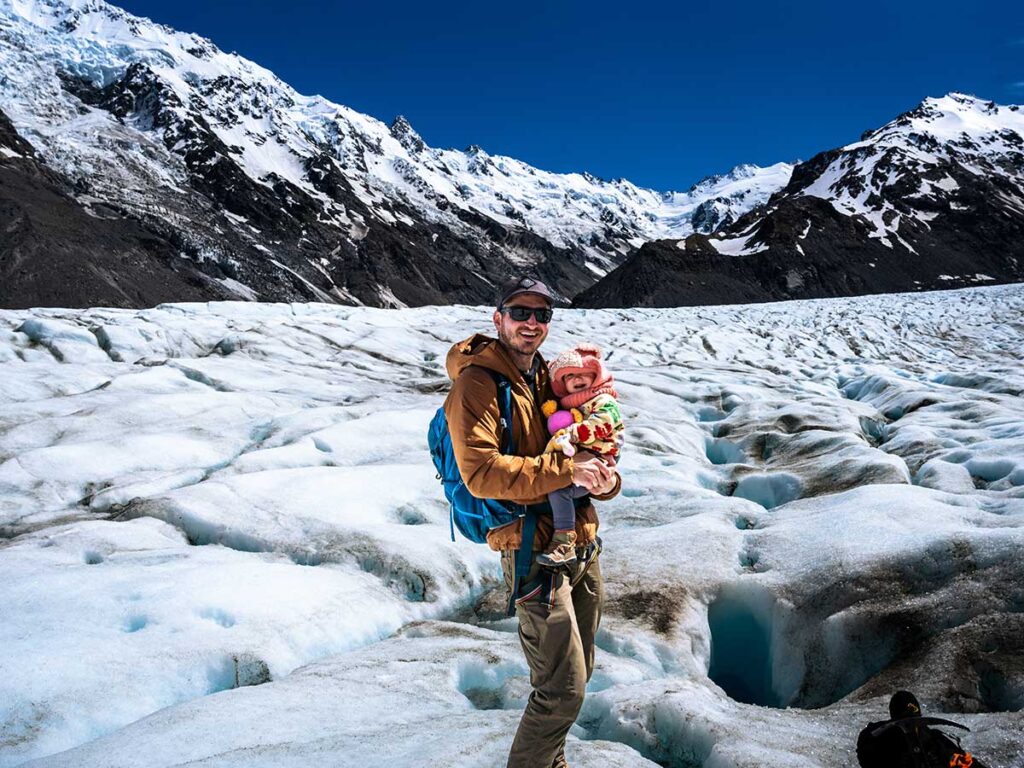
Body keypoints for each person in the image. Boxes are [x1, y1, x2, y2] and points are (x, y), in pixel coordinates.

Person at [444, 276, 621, 768]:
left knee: (576, 677)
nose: (531, 323)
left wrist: (605, 479)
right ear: (498, 318)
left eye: (542, 315)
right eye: (520, 312)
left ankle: (552, 762)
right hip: (534, 553)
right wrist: (568, 470)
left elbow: (578, 449)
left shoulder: (543, 376)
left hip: (580, 543)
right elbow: (480, 473)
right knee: (561, 690)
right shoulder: (477, 383)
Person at [538, 343, 624, 567]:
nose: (577, 379)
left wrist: (572, 434)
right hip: (589, 458)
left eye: (584, 374)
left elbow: (604, 423)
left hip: (600, 459)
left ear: (596, 376)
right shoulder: (573, 404)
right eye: (570, 376)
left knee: (559, 490)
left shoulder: (603, 399)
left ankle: (564, 539)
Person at [856, 691, 988, 768]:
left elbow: (960, 760)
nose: (911, 728)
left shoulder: (933, 739)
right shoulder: (880, 740)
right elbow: (866, 756)